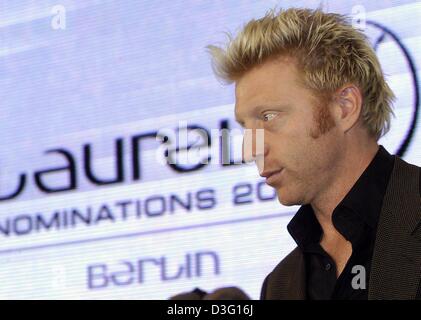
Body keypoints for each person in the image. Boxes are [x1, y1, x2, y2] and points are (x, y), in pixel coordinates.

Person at [206, 8, 421, 299]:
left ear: (344, 107)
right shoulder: (280, 286)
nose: (249, 149)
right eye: (246, 127)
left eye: (268, 116)